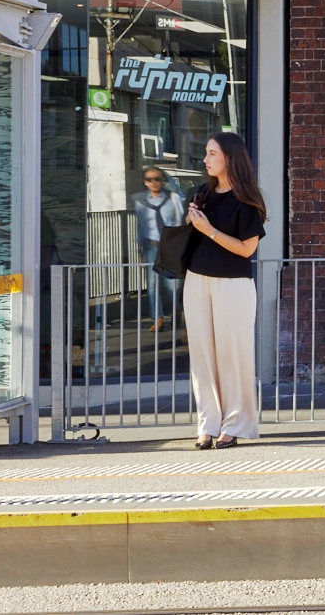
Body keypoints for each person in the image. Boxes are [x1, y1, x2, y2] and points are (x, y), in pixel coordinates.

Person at [182, 132, 266, 449]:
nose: (205, 159)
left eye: (211, 153)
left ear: (228, 158)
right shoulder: (202, 192)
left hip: (233, 284)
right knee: (202, 358)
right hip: (197, 279)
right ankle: (207, 424)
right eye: (206, 153)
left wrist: (210, 230)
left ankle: (235, 423)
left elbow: (246, 250)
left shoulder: (248, 200)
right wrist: (193, 224)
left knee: (233, 356)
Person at [131, 167, 185, 332]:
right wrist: (139, 251)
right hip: (150, 245)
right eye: (149, 179)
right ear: (144, 182)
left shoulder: (173, 198)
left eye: (157, 179)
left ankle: (176, 313)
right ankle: (158, 318)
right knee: (153, 284)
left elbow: (179, 220)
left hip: (169, 245)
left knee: (172, 285)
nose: (153, 182)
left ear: (162, 181)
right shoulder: (139, 201)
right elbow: (140, 226)